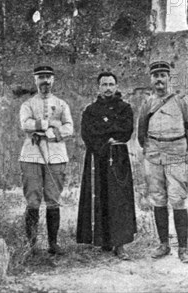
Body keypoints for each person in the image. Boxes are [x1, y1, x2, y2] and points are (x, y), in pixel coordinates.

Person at [137, 61, 188, 264]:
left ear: (169, 78)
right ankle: (163, 244)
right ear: (151, 79)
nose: (159, 79)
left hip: (176, 153)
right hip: (153, 154)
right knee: (158, 198)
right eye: (155, 75)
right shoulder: (147, 103)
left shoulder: (182, 101)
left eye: (163, 75)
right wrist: (151, 148)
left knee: (178, 199)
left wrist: (183, 150)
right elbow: (141, 132)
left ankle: (183, 248)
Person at [77, 72, 136, 260]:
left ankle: (120, 244)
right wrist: (108, 135)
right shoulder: (90, 110)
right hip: (97, 156)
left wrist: (105, 132)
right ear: (98, 87)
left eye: (111, 84)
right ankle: (103, 239)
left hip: (117, 158)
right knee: (100, 196)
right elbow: (87, 133)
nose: (108, 88)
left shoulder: (125, 108)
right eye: (104, 84)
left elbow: (125, 131)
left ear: (117, 86)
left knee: (118, 199)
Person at [19, 65, 73, 255]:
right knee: (32, 199)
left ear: (53, 80)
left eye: (49, 77)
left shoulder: (61, 104)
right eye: (41, 77)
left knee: (53, 199)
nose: (46, 82)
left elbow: (69, 128)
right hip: (31, 154)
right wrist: (49, 123)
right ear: (35, 80)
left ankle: (53, 243)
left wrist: (49, 133)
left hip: (56, 154)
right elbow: (25, 124)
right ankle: (31, 245)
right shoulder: (27, 104)